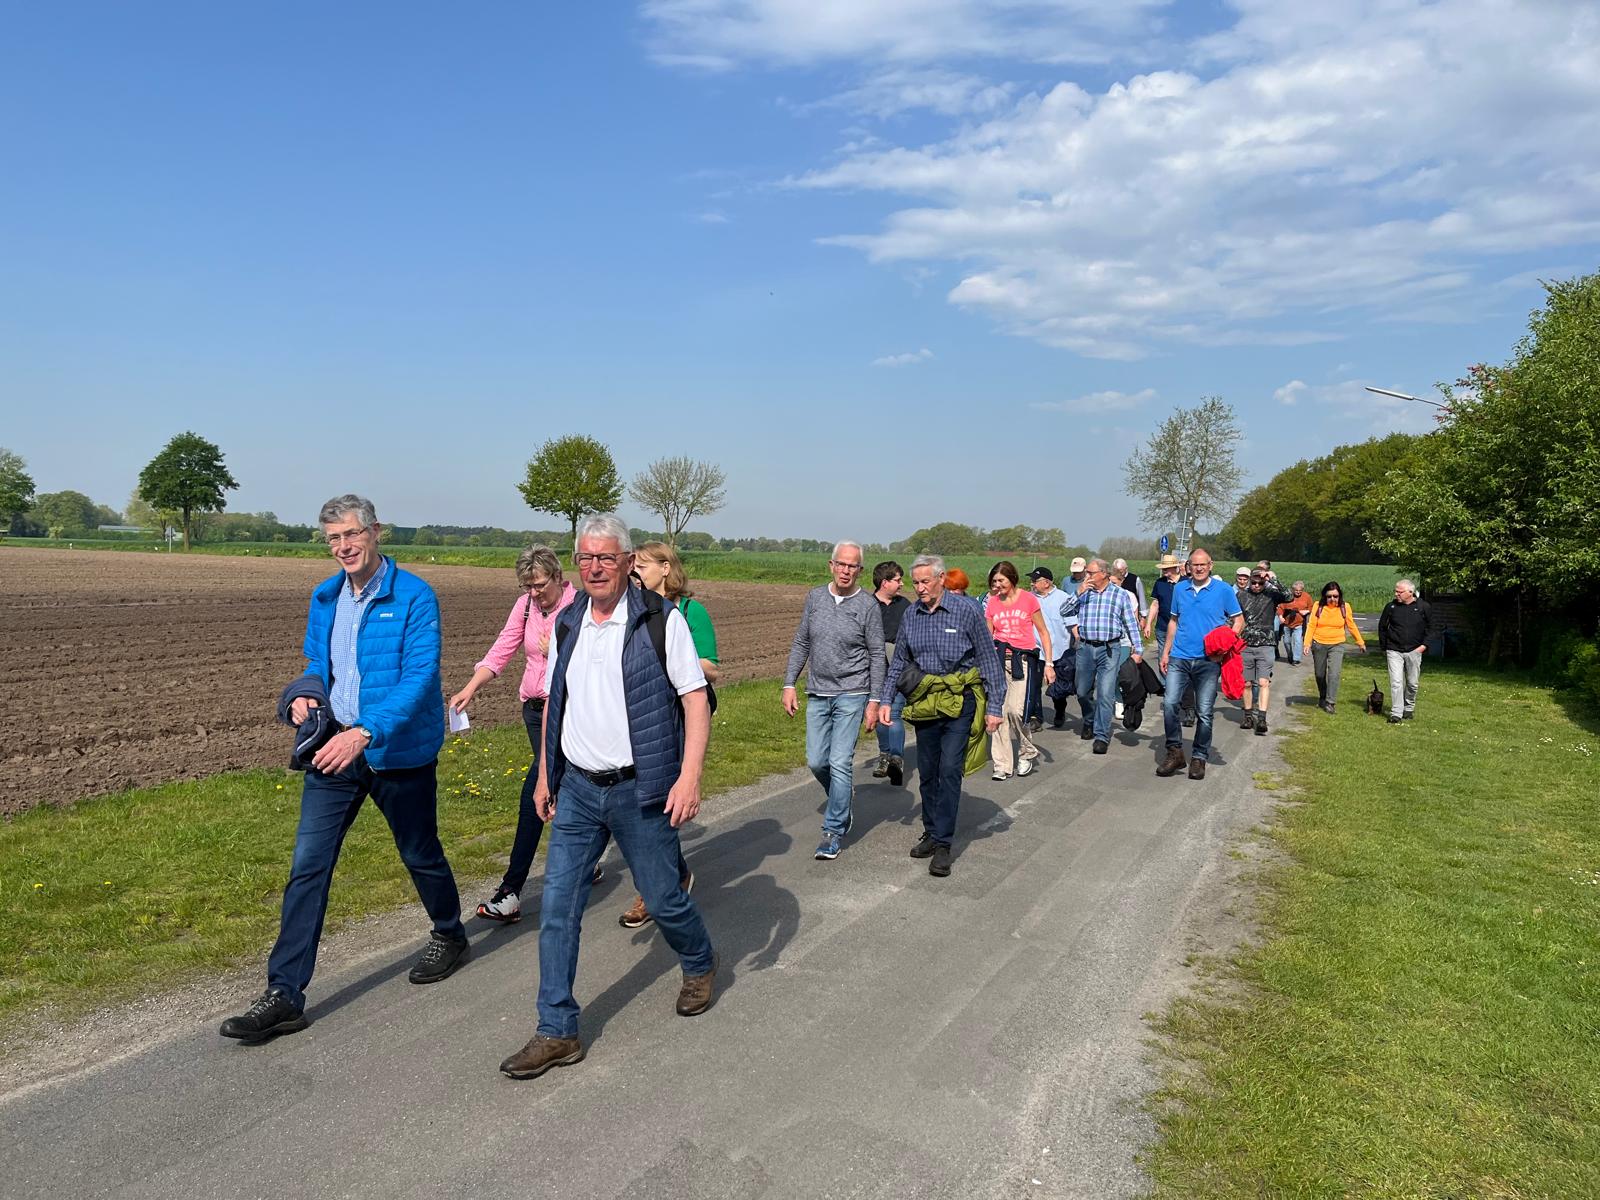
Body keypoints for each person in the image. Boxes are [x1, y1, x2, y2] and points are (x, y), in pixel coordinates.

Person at [221, 495, 467, 1044]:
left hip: (395, 750)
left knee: (419, 852)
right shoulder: (326, 597)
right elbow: (317, 666)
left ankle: (449, 933)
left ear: (376, 532)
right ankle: (285, 994)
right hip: (334, 750)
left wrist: (365, 731)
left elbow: (421, 678)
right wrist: (304, 699)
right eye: (333, 539)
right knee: (309, 864)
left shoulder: (414, 597)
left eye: (352, 535)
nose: (343, 547)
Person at [499, 515, 716, 1081]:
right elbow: (555, 702)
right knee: (558, 909)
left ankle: (698, 960)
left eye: (606, 557)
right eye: (585, 558)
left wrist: (688, 777)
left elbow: (695, 700)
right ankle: (557, 1030)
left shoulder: (660, 622)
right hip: (576, 789)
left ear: (625, 563)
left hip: (640, 789)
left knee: (665, 898)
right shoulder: (568, 621)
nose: (594, 567)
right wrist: (546, 774)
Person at [448, 545, 589, 925]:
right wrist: (471, 687)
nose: (534, 593)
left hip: (570, 710)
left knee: (538, 789)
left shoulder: (582, 605)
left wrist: (559, 646)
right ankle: (586, 856)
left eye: (539, 585)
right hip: (534, 711)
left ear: (559, 577)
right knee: (565, 784)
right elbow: (502, 648)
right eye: (527, 586)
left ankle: (510, 891)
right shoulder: (525, 607)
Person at [879, 555, 1005, 879]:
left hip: (959, 700)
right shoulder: (912, 614)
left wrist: (994, 707)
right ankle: (931, 832)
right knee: (928, 772)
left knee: (950, 769)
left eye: (925, 581)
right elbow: (899, 661)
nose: (919, 588)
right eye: (916, 582)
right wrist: (885, 698)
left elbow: (988, 659)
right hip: (925, 701)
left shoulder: (966, 611)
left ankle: (944, 843)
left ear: (941, 579)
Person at [616, 540, 719, 926]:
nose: (635, 571)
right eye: (633, 566)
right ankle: (673, 873)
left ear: (665, 567)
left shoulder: (691, 611)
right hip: (639, 715)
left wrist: (674, 656)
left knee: (657, 800)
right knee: (641, 802)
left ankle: (652, 890)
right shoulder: (630, 610)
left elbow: (712, 666)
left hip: (677, 717)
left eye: (641, 565)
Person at [782, 541, 884, 860]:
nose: (846, 570)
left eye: (852, 566)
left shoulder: (867, 605)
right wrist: (789, 684)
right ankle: (841, 797)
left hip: (853, 691)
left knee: (840, 761)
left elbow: (878, 654)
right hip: (818, 690)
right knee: (816, 760)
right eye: (841, 564)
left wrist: (874, 700)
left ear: (860, 571)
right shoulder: (815, 597)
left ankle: (833, 830)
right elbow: (802, 641)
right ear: (831, 565)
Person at [1156, 548, 1244, 781]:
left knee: (1204, 712)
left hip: (1208, 661)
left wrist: (1225, 648)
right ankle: (1174, 752)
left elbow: (1238, 620)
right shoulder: (1179, 589)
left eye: (1203, 564)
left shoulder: (1223, 590)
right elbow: (1173, 622)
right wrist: (1165, 653)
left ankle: (1199, 757)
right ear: (1188, 567)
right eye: (1194, 564)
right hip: (1180, 657)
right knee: (1170, 704)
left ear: (1211, 565)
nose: (1198, 568)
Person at [985, 561, 1054, 780]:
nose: (998, 585)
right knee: (998, 713)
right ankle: (1002, 764)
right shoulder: (992, 603)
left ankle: (1026, 751)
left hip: (1022, 660)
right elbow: (988, 636)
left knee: (1016, 710)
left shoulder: (1028, 599)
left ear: (1011, 579)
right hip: (998, 660)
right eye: (994, 581)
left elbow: (1043, 632)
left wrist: (1049, 664)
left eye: (1001, 580)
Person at [1073, 558, 1144, 755]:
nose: (1087, 576)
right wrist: (1077, 594)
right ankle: (1089, 719)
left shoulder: (1120, 595)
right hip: (1085, 648)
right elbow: (1065, 611)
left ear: (1103, 574)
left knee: (1105, 694)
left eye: (1091, 573)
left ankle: (1101, 735)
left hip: (1109, 649)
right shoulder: (1084, 594)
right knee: (1082, 691)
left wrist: (1138, 650)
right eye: (1086, 572)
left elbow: (1131, 622)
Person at [1236, 568, 1290, 736]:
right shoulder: (1241, 596)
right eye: (1254, 582)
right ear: (1250, 581)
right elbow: (1233, 617)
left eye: (1261, 582)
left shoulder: (1271, 594)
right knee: (1246, 683)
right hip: (1246, 645)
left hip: (1266, 644)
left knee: (1263, 682)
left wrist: (1273, 579)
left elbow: (1288, 596)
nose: (1257, 585)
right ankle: (1248, 716)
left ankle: (1261, 718)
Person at [871, 561, 911, 785]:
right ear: (885, 582)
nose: (902, 583)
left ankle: (896, 759)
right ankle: (884, 755)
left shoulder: (904, 604)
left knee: (893, 713)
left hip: (898, 667)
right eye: (897, 580)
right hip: (874, 670)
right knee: (878, 714)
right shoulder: (867, 604)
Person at [1303, 580, 1368, 713]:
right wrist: (1307, 643)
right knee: (1320, 674)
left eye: (1335, 596)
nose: (1332, 599)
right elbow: (1311, 625)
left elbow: (1351, 625)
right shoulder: (1318, 606)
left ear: (1340, 596)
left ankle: (1330, 702)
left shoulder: (1345, 607)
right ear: (1324, 596)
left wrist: (1360, 642)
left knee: (1334, 673)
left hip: (1337, 644)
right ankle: (1323, 695)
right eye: (1329, 596)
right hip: (1319, 643)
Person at [1378, 579, 1434, 722]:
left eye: (1400, 592)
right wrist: (1384, 647)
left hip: (1414, 650)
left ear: (1410, 592)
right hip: (1394, 650)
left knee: (1412, 683)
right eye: (1395, 591)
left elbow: (1431, 628)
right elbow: (1382, 627)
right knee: (1396, 682)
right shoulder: (1391, 607)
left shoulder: (1423, 607)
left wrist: (1424, 646)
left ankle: (1408, 708)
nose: (1396, 594)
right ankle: (1396, 713)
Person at [1029, 566, 1078, 728]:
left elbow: (1072, 623)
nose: (1032, 584)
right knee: (1034, 685)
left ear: (1047, 582)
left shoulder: (1063, 598)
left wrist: (1079, 640)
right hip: (1036, 649)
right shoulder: (1029, 599)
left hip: (1059, 650)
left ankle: (1060, 708)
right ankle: (1036, 717)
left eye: (1035, 581)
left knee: (1058, 687)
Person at [1277, 581, 1312, 664]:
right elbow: (1281, 607)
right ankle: (1290, 655)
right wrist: (1280, 616)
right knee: (1286, 642)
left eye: (1300, 590)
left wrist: (1307, 611)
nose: (1298, 592)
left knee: (1297, 641)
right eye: (1296, 590)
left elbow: (1312, 607)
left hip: (1299, 624)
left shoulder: (1307, 597)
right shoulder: (1287, 596)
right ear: (1292, 590)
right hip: (1287, 623)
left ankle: (1296, 659)